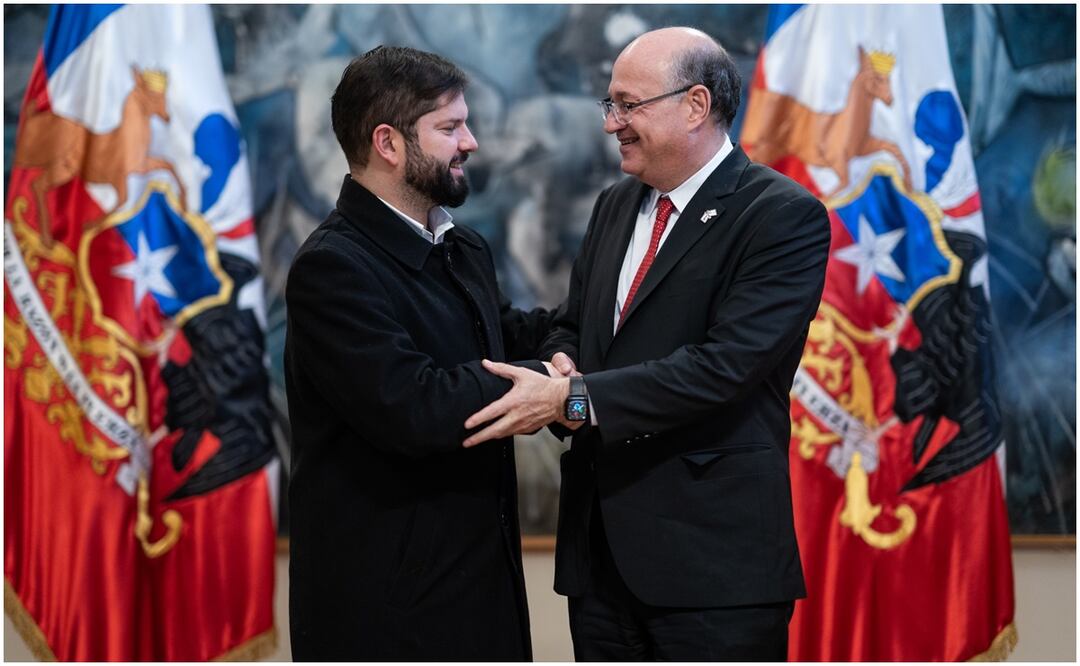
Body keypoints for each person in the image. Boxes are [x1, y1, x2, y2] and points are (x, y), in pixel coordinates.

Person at [463, 27, 831, 661]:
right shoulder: (615, 204)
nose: (612, 124)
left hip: (713, 573)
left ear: (695, 105)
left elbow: (724, 368)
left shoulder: (780, 215)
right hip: (600, 565)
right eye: (611, 105)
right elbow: (573, 323)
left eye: (628, 105)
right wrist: (562, 359)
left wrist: (567, 400)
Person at [284, 46, 562, 661]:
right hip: (385, 616)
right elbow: (416, 405)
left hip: (480, 596)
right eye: (450, 127)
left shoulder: (462, 248)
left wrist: (572, 344)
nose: (472, 142)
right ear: (388, 143)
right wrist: (546, 380)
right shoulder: (332, 267)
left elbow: (510, 331)